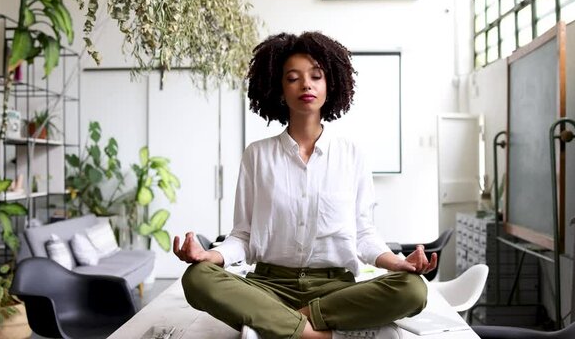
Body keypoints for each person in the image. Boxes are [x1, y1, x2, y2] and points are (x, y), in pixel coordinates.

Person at [173, 31, 438, 339]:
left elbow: (364, 235)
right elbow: (243, 237)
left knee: (413, 290)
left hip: (335, 290)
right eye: (293, 78)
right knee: (197, 278)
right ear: (279, 88)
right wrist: (210, 256)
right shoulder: (257, 155)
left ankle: (285, 325)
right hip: (268, 287)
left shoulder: (351, 155)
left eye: (316, 76)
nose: (306, 85)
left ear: (331, 85)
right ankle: (315, 335)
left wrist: (398, 263)